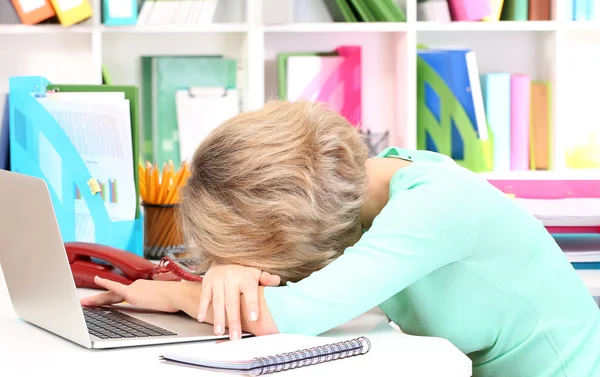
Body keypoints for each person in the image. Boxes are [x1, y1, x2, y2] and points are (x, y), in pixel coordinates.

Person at [82, 101, 600, 376]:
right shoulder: (371, 184)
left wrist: (175, 292)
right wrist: (230, 267)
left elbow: (296, 313)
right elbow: (311, 271)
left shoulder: (432, 207)